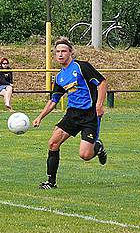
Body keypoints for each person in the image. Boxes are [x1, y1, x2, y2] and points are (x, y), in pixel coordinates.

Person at [32, 37, 108, 189]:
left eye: (63, 51)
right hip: (72, 115)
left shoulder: (82, 67)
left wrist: (99, 105)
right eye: (57, 52)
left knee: (85, 155)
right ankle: (51, 182)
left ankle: (97, 147)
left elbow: (102, 82)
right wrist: (40, 117)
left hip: (89, 115)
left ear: (71, 52)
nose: (60, 54)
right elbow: (53, 100)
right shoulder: (60, 77)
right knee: (53, 143)